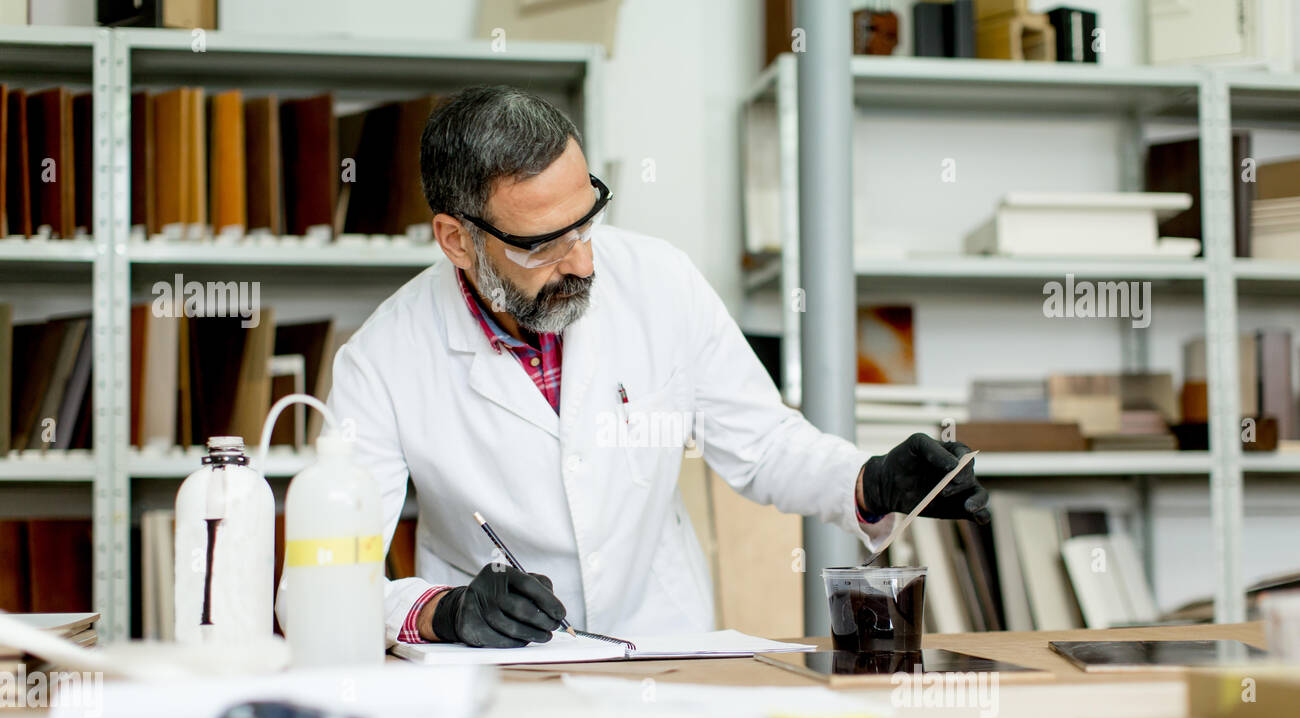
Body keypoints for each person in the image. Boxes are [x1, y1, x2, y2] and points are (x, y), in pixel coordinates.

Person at [324, 86, 989, 649]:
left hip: (663, 651)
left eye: (585, 222)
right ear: (456, 240)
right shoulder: (382, 358)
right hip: (496, 672)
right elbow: (323, 578)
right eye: (543, 244)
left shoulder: (660, 280)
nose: (584, 263)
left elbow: (762, 446)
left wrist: (873, 481)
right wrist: (441, 612)